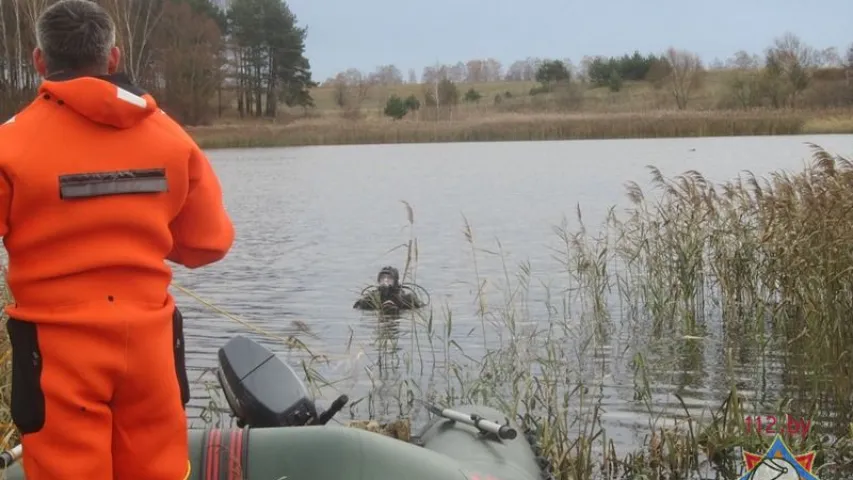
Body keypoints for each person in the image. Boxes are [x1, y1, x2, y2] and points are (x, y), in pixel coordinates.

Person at [0, 1, 235, 479]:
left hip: (55, 353)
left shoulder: (12, 144)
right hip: (150, 347)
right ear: (113, 58)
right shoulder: (171, 139)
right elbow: (208, 243)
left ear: (40, 61)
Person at [353, 266, 424, 311]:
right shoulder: (372, 297)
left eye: (389, 278)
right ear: (378, 280)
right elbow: (357, 307)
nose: (385, 281)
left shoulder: (405, 298)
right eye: (382, 278)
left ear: (395, 281)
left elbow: (420, 308)